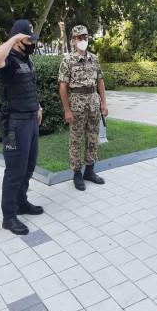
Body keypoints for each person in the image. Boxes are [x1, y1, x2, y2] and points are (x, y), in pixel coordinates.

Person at [0, 19, 44, 235]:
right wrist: (12, 39)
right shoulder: (8, 61)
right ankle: (9, 217)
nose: (32, 43)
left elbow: (28, 87)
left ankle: (21, 202)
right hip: (15, 124)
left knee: (29, 167)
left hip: (30, 120)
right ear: (19, 39)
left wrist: (37, 106)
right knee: (15, 171)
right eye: (28, 39)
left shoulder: (26, 60)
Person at [59, 25, 108, 191]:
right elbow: (63, 87)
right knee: (76, 140)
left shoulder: (94, 58)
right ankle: (77, 174)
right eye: (79, 37)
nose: (83, 40)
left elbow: (100, 81)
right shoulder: (68, 60)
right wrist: (67, 110)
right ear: (73, 41)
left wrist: (103, 103)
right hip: (76, 103)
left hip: (93, 102)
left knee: (93, 137)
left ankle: (90, 170)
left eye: (85, 37)